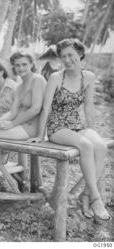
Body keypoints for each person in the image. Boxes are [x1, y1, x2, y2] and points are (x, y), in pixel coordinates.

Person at [29, 39, 111, 222]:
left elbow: (89, 108)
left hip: (79, 125)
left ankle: (85, 194)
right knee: (85, 146)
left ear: (80, 54)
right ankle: (95, 199)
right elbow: (46, 107)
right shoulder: (57, 77)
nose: (67, 59)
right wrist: (39, 135)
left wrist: (94, 131)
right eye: (63, 56)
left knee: (100, 146)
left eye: (71, 55)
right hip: (58, 127)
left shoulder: (88, 77)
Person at [0, 51, 47, 182]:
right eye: (17, 65)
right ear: (13, 67)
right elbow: (12, 113)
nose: (21, 68)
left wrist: (12, 124)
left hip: (33, 129)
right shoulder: (19, 87)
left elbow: (36, 109)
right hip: (21, 126)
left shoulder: (37, 79)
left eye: (24, 64)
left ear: (31, 64)